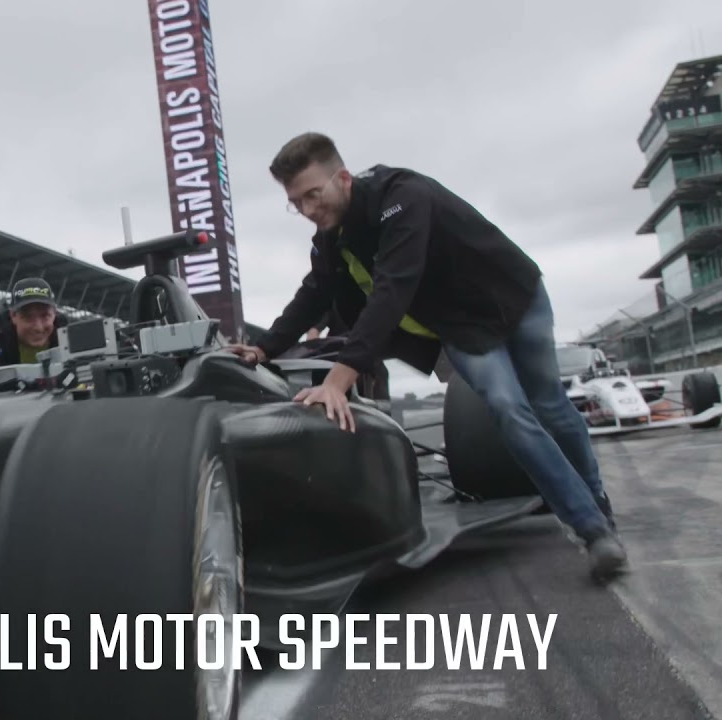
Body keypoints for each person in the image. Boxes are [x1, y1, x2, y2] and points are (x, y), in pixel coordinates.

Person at [228, 132, 626, 581]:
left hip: (516, 298)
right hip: (461, 326)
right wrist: (265, 348)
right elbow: (314, 293)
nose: (307, 211)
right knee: (507, 409)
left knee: (551, 405)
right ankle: (594, 532)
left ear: (342, 178)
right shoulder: (330, 239)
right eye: (296, 203)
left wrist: (340, 378)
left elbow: (393, 288)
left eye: (312, 196)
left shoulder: (403, 197)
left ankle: (597, 499)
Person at [0, 277, 68, 367]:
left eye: (45, 316)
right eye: (28, 317)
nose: (38, 327)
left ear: (54, 314)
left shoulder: (67, 333)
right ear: (13, 316)